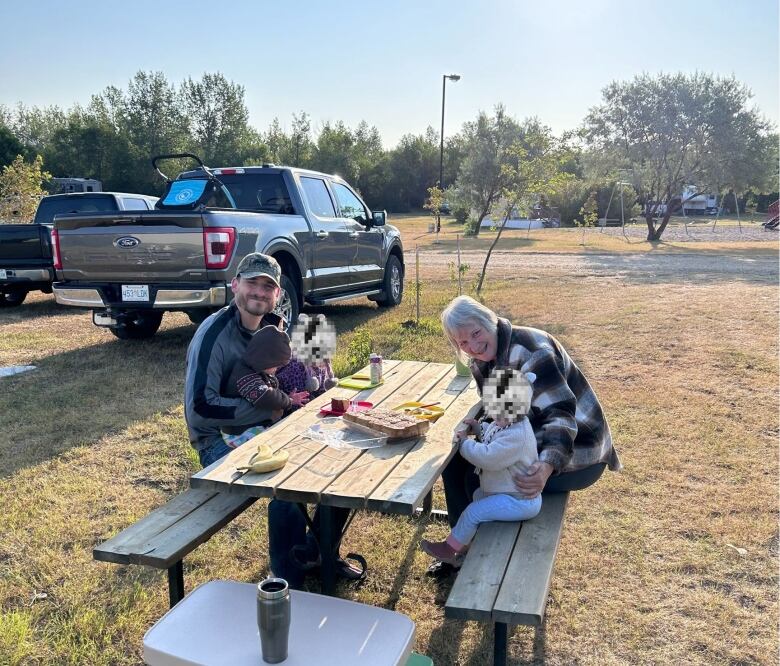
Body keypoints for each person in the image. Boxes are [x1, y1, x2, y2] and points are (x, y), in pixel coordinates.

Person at [183, 252, 357, 588]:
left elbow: (284, 378)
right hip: (219, 440)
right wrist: (273, 409)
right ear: (235, 285)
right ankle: (286, 579)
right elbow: (201, 407)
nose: (259, 293)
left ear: (278, 294)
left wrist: (310, 394)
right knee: (287, 487)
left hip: (267, 430)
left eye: (268, 286)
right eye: (252, 283)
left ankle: (317, 551)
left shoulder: (272, 327)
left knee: (340, 455)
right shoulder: (213, 335)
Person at [428, 295, 622, 578]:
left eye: (476, 333)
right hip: (532, 444)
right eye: (463, 343)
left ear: (490, 321)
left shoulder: (532, 350)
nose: (472, 345)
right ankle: (465, 549)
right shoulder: (486, 359)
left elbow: (560, 416)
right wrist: (480, 427)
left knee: (474, 472)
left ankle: (478, 559)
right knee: (461, 464)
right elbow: (501, 412)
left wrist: (545, 468)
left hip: (578, 453)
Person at [420, 367, 542, 565]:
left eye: (501, 414)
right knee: (476, 498)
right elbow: (493, 435)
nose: (496, 418)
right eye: (494, 412)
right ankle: (466, 542)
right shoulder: (506, 423)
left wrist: (464, 444)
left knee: (474, 511)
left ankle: (449, 549)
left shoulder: (517, 436)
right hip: (505, 492)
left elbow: (489, 457)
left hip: (520, 501)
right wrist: (479, 428)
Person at [220, 325, 311, 448]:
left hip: (253, 425)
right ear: (266, 359)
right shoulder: (244, 375)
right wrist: (288, 401)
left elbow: (272, 391)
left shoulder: (257, 370)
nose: (276, 369)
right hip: (239, 432)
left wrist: (288, 398)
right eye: (276, 365)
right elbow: (266, 397)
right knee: (276, 443)